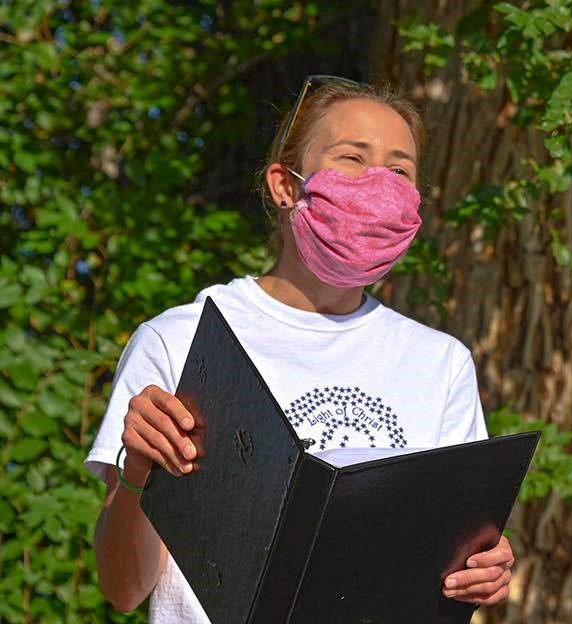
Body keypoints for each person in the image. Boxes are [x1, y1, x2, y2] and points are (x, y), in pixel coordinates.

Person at [85, 77, 514, 623]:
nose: (377, 183)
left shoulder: (441, 363)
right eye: (352, 158)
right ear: (285, 185)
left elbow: (450, 567)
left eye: (400, 169)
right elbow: (123, 590)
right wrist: (138, 471)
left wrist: (480, 570)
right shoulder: (182, 338)